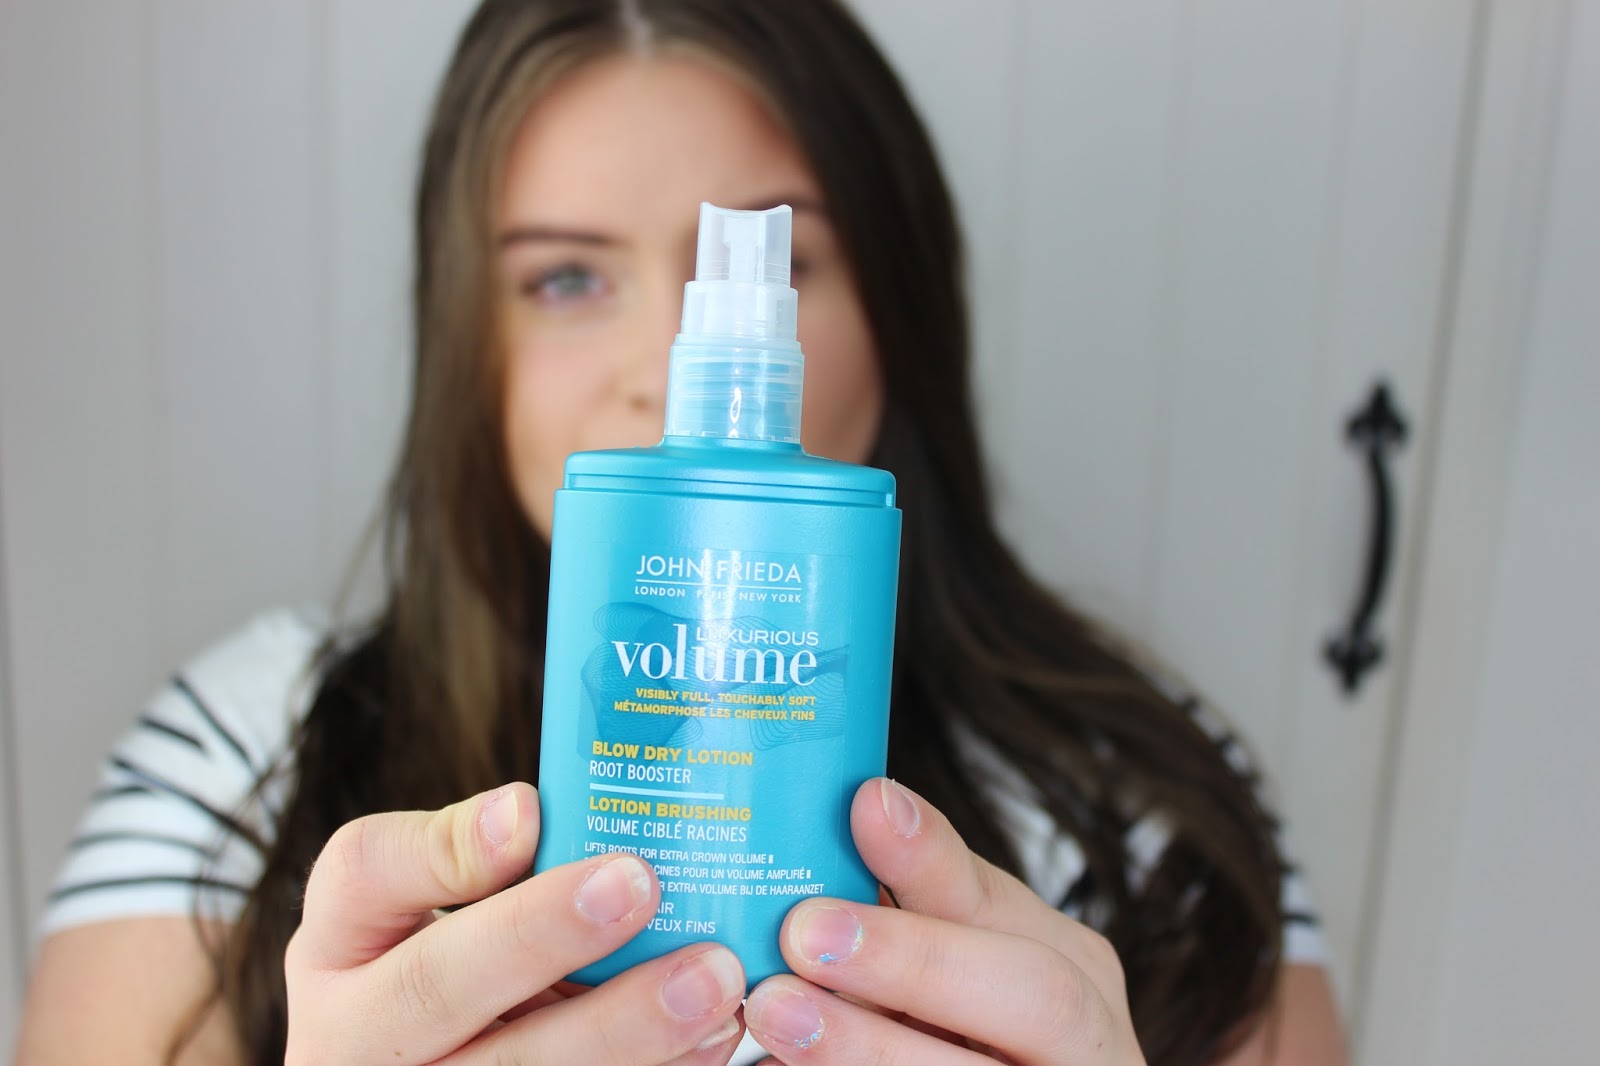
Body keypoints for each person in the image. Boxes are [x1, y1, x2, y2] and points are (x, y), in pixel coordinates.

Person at [15, 1, 1347, 1064]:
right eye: (566, 276)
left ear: (900, 307)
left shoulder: (1143, 805)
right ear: (466, 342)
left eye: (790, 262)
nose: (664, 367)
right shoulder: (240, 762)